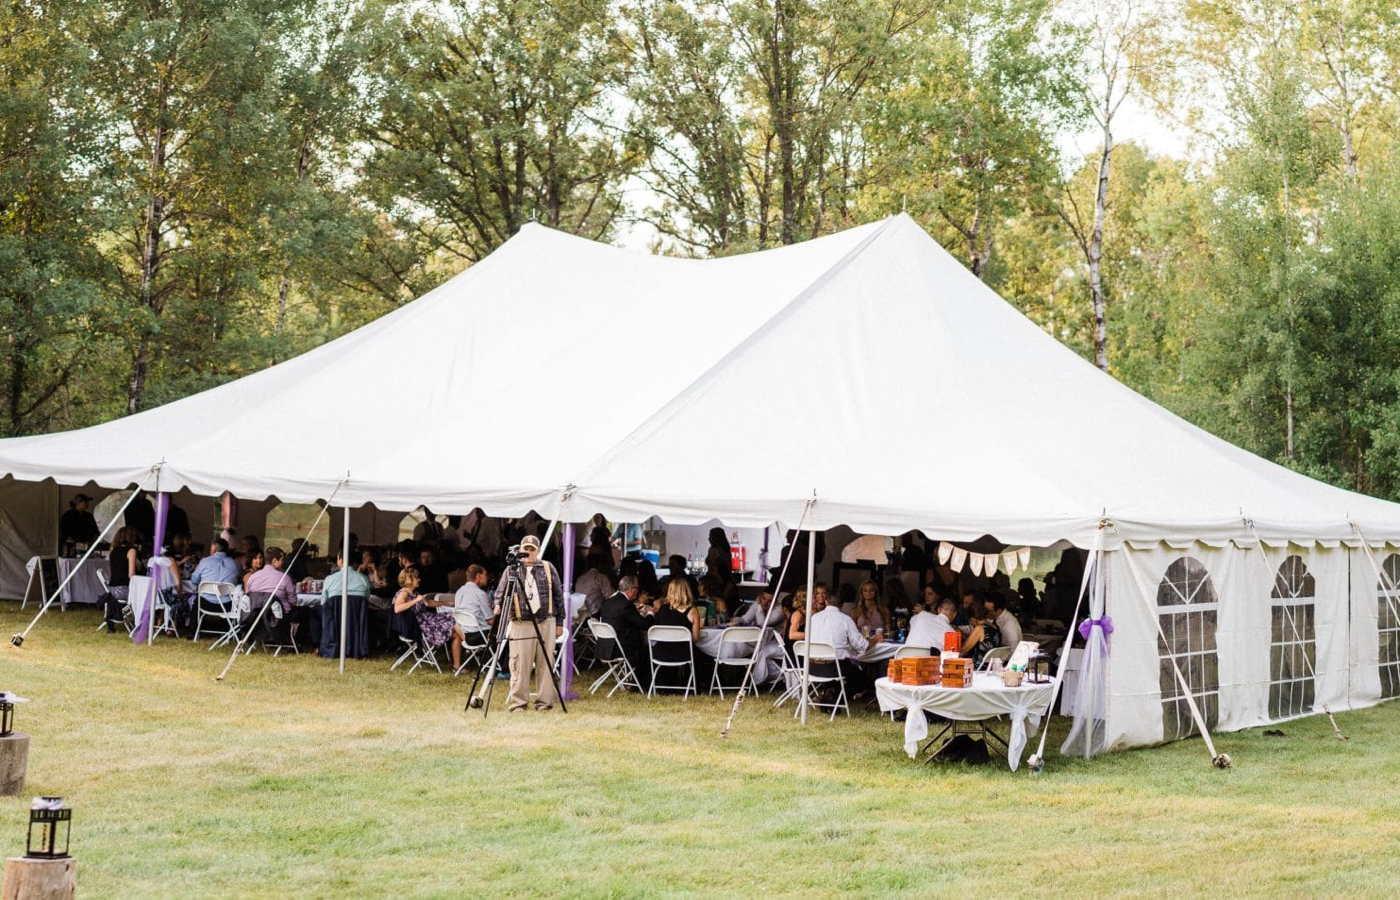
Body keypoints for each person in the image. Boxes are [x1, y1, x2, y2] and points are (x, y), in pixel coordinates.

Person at [491, 534, 563, 712]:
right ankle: (519, 702)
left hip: (546, 621)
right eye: (526, 549)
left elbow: (558, 596)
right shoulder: (512, 570)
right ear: (520, 550)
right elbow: (500, 592)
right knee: (520, 664)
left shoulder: (547, 567)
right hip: (521, 622)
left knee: (546, 663)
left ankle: (544, 702)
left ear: (537, 551)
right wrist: (498, 605)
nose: (528, 552)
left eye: (532, 549)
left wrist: (560, 622)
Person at [806, 582, 881, 693]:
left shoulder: (813, 618)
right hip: (834, 669)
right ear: (842, 604)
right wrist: (875, 639)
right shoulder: (845, 619)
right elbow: (862, 646)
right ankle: (849, 693)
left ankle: (831, 692)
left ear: (826, 601)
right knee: (863, 674)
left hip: (811, 668)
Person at [599, 575, 652, 690]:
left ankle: (633, 680)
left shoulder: (608, 601)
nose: (638, 591)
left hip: (605, 646)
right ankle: (642, 683)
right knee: (648, 650)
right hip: (620, 649)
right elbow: (644, 625)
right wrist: (650, 613)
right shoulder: (626, 605)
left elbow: (620, 618)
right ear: (632, 589)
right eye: (637, 588)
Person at [653, 578, 705, 687]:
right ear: (687, 591)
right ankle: (694, 684)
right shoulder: (692, 611)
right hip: (683, 653)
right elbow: (695, 638)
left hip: (661, 652)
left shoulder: (662, 609)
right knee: (703, 657)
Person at [322, 549, 373, 658]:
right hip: (356, 617)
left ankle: (327, 646)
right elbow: (367, 597)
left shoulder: (329, 579)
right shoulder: (363, 578)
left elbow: (323, 601)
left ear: (340, 560)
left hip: (335, 618)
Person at [393, 566, 454, 654]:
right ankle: (470, 643)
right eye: (416, 578)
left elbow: (428, 603)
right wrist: (416, 600)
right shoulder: (403, 593)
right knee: (451, 620)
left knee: (451, 617)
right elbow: (397, 609)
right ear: (409, 580)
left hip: (426, 619)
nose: (419, 579)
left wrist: (446, 603)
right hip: (418, 624)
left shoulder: (414, 592)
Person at [451, 564, 493, 671]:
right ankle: (499, 667)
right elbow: (490, 620)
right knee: (504, 632)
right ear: (478, 576)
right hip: (479, 636)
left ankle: (457, 666)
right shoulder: (480, 594)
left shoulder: (460, 591)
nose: (487, 578)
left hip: (464, 634)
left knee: (457, 633)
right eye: (485, 575)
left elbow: (457, 613)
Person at [103, 526, 143, 630]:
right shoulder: (131, 551)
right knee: (146, 593)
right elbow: (131, 575)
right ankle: (141, 622)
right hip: (124, 590)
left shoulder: (113, 551)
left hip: (112, 589)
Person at [244, 546, 298, 613]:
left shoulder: (253, 577)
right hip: (281, 615)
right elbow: (293, 601)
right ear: (274, 561)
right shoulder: (284, 577)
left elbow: (247, 596)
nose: (283, 562)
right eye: (282, 560)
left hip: (257, 615)